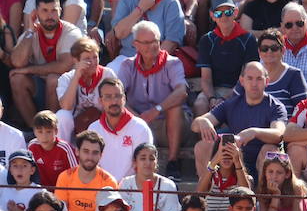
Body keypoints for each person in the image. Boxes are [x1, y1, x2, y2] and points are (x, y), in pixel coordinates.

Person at [193, 59, 287, 179]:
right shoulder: (232, 104)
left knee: (269, 150)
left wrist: (254, 132)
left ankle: (262, 196)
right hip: (236, 158)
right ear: (242, 81)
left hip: (262, 160)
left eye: (259, 79)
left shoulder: (275, 106)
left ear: (267, 81)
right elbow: (195, 126)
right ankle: (206, 191)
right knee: (202, 146)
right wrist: (203, 121)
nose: (254, 83)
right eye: (250, 78)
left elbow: (279, 134)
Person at [118, 21, 188, 179]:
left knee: (175, 106)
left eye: (155, 41)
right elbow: (118, 95)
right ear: (136, 44)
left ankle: (172, 162)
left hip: (167, 124)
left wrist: (156, 110)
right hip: (139, 121)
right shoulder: (127, 66)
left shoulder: (172, 63)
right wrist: (136, 118)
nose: (153, 46)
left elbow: (181, 92)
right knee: (115, 103)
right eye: (147, 42)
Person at [8, 0, 80, 124]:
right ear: (36, 13)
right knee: (16, 78)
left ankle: (51, 128)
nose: (50, 15)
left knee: (53, 79)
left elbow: (64, 66)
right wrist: (29, 30)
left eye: (54, 10)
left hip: (68, 91)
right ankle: (35, 131)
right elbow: (17, 62)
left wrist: (29, 70)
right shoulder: (31, 33)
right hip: (41, 87)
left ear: (60, 11)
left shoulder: (71, 32)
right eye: (44, 11)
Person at [87, 76, 153, 182]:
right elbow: (90, 164)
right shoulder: (93, 129)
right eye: (108, 97)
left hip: (131, 191)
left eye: (117, 96)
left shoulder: (140, 128)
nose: (114, 101)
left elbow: (145, 167)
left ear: (124, 98)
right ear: (100, 101)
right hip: (102, 189)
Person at [54, 128, 117, 211]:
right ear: (77, 151)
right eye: (86, 151)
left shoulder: (108, 181)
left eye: (95, 153)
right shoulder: (65, 177)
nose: (90, 157)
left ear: (101, 155)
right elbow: (61, 210)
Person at [28, 109, 75, 187]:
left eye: (48, 131)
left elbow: (75, 174)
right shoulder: (32, 146)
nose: (44, 136)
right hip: (41, 193)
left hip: (62, 192)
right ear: (34, 132)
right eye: (40, 132)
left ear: (56, 131)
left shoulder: (65, 148)